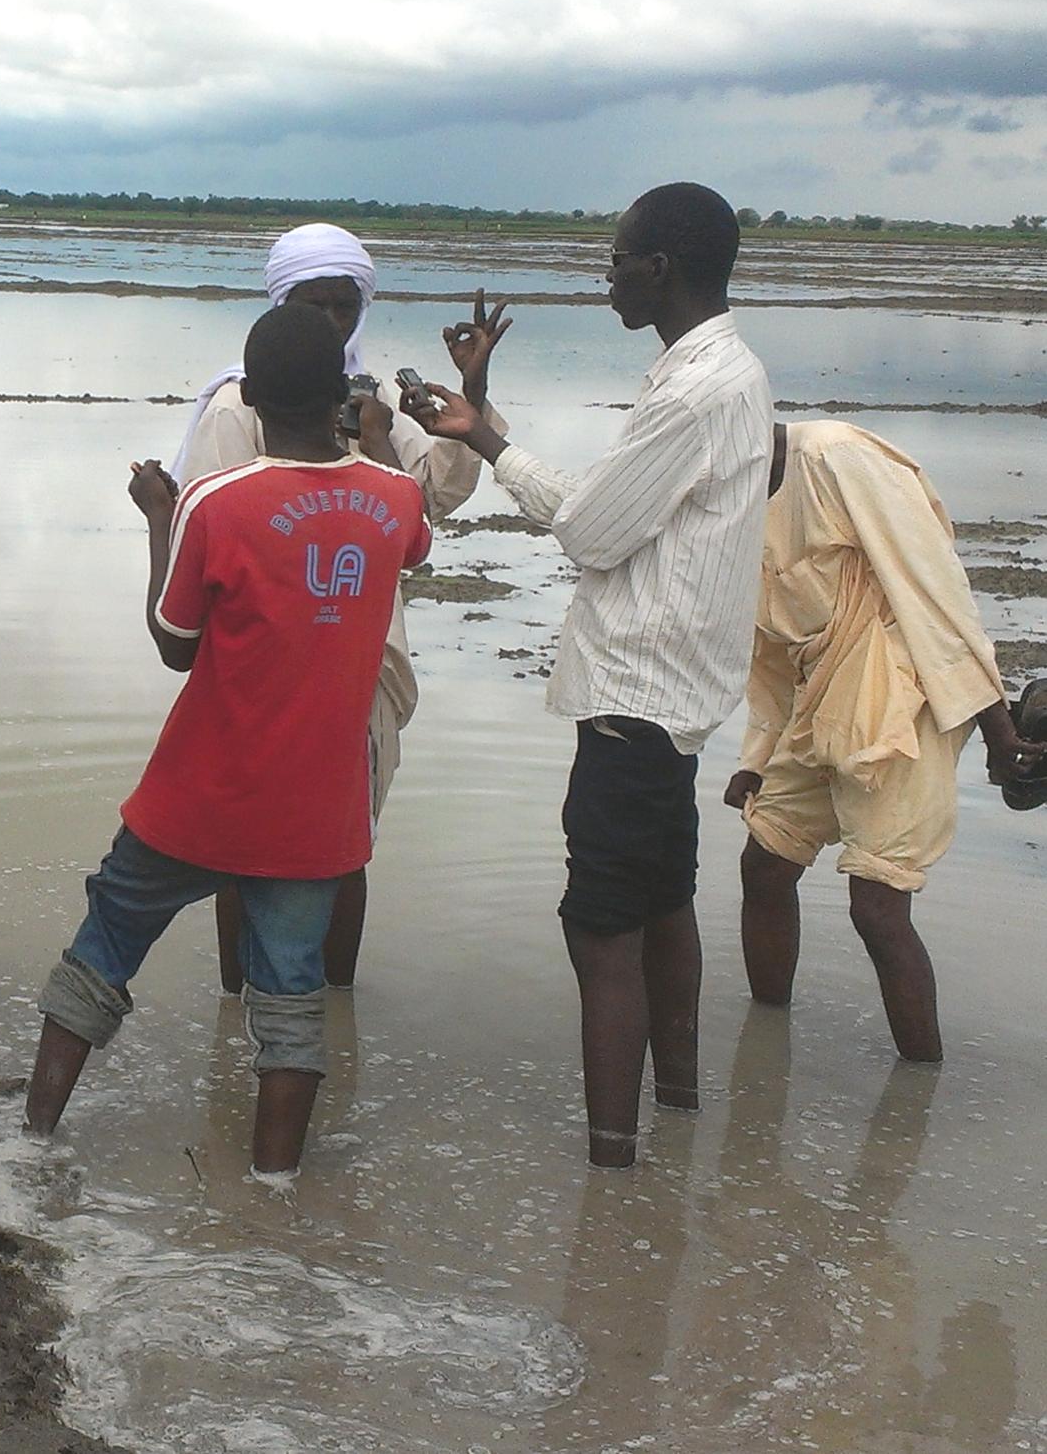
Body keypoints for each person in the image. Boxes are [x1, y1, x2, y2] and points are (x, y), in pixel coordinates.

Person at [23, 302, 433, 1184]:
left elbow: (177, 643)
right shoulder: (394, 498)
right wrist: (372, 440)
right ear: (341, 395)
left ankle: (33, 1140)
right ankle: (273, 1191)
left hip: (200, 797)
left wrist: (156, 520)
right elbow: (415, 545)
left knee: (105, 943)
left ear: (246, 398)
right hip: (315, 811)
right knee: (293, 1001)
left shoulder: (219, 498)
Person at [406, 182, 772, 1168]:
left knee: (601, 929)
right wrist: (480, 426)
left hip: (636, 701)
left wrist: (488, 438)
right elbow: (612, 506)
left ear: (659, 269)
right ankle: (680, 1115)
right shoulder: (721, 374)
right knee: (662, 908)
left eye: (616, 260)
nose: (606, 275)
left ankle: (613, 1169)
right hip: (673, 705)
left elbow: (589, 527)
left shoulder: (692, 393)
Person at [172, 223, 510, 990]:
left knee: (345, 838)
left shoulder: (382, 401)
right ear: (279, 302)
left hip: (355, 654)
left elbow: (434, 501)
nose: (330, 323)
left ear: (364, 303)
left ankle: (329, 1007)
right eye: (311, 304)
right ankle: (244, 1004)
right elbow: (217, 533)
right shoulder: (238, 405)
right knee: (243, 844)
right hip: (259, 656)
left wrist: (470, 396)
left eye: (343, 304)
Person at [727, 418, 1047, 1060]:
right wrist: (756, 756)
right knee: (764, 864)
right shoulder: (730, 496)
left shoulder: (841, 458)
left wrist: (996, 730)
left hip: (904, 696)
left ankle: (919, 1088)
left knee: (876, 905)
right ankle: (762, 1050)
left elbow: (937, 594)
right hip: (820, 702)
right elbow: (770, 643)